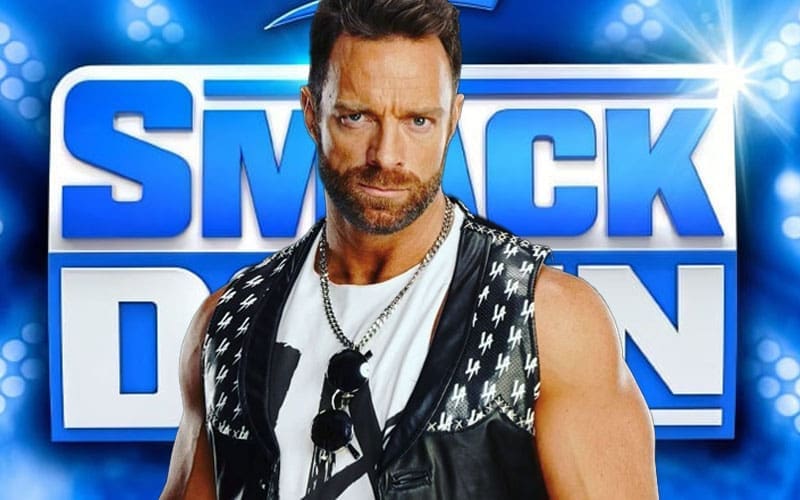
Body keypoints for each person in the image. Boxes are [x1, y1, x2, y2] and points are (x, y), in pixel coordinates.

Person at [162, 0, 658, 498]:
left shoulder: (541, 320)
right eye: (356, 117)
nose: (387, 156)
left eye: (418, 120)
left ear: (452, 119)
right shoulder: (229, 322)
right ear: (312, 114)